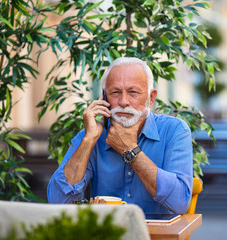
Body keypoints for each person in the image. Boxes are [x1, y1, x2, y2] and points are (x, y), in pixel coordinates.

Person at [47, 57, 193, 214]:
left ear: (151, 98)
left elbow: (180, 203)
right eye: (115, 92)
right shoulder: (91, 134)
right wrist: (88, 140)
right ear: (104, 97)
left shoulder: (174, 130)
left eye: (133, 92)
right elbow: (58, 201)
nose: (123, 102)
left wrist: (129, 149)